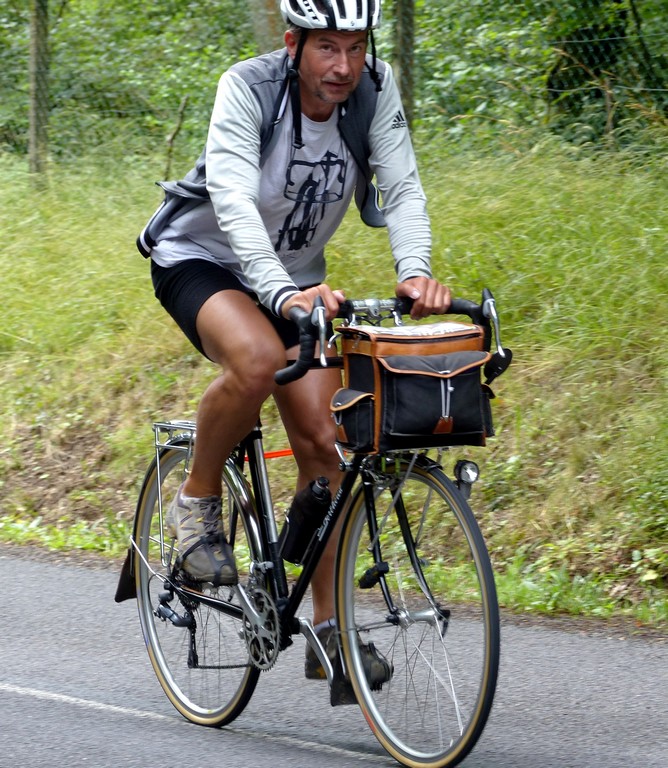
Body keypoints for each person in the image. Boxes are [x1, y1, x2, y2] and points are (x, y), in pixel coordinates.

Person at [139, 0, 450, 683]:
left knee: (327, 445)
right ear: (292, 44)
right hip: (203, 258)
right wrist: (280, 293)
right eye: (327, 48)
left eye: (356, 47)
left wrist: (415, 270)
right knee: (254, 360)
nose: (343, 66)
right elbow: (232, 198)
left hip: (296, 281)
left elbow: (401, 187)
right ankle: (195, 504)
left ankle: (328, 632)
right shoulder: (248, 88)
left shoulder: (373, 92)